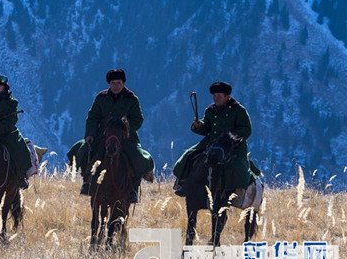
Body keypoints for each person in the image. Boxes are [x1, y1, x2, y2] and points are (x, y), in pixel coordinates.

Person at [67, 69, 154, 203]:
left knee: (138, 156)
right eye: (113, 83)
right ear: (109, 84)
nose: (115, 86)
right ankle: (87, 181)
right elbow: (93, 117)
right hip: (103, 135)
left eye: (118, 83)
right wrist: (90, 134)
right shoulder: (101, 98)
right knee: (85, 149)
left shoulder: (132, 99)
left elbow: (138, 119)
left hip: (126, 136)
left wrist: (126, 129)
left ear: (123, 83)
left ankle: (133, 188)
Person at [173, 81, 257, 197]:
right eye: (214, 95)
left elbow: (246, 129)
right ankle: (184, 184)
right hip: (210, 143)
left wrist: (231, 138)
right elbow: (206, 128)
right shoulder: (210, 110)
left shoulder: (238, 110)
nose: (216, 98)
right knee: (189, 155)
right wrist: (199, 125)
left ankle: (240, 190)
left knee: (238, 166)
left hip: (232, 145)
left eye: (219, 96)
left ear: (227, 97)